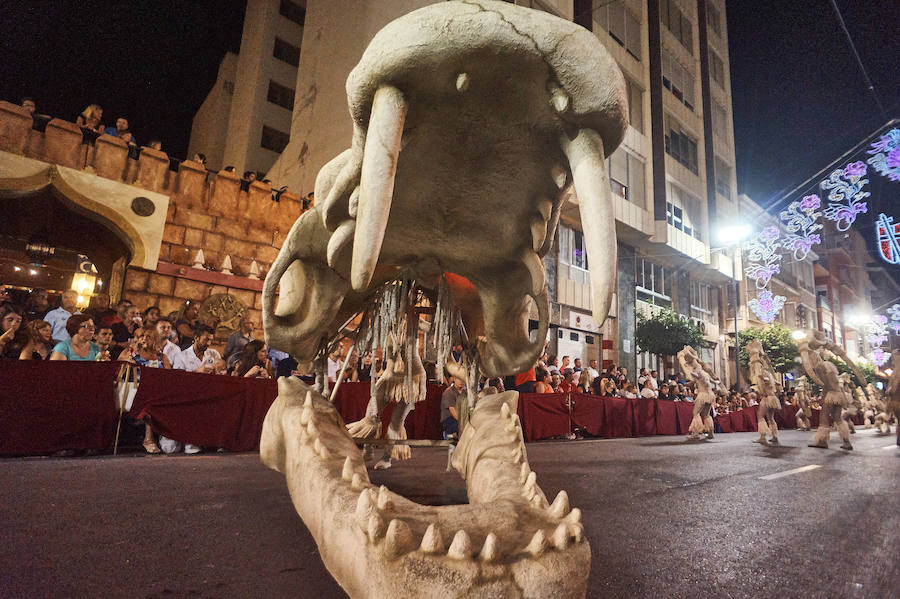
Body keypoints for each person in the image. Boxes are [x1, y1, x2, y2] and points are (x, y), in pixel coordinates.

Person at [121, 327, 171, 454]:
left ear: (155, 339)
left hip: (157, 391)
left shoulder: (162, 357)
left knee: (155, 395)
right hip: (134, 391)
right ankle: (148, 440)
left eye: (148, 336)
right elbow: (117, 375)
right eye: (141, 336)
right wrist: (126, 363)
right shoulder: (130, 353)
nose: (144, 339)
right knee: (149, 398)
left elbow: (170, 378)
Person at [677, 346, 718, 441]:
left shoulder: (698, 372)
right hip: (710, 395)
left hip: (703, 395)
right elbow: (708, 381)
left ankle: (696, 433)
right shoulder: (705, 373)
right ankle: (711, 432)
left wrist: (687, 369)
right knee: (706, 414)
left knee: (695, 413)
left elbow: (694, 376)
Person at [747, 339, 781, 446]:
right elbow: (777, 383)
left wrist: (763, 379)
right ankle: (774, 436)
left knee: (760, 415)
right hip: (772, 398)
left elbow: (767, 381)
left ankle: (762, 436)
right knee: (770, 417)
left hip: (768, 398)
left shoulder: (763, 372)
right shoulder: (767, 373)